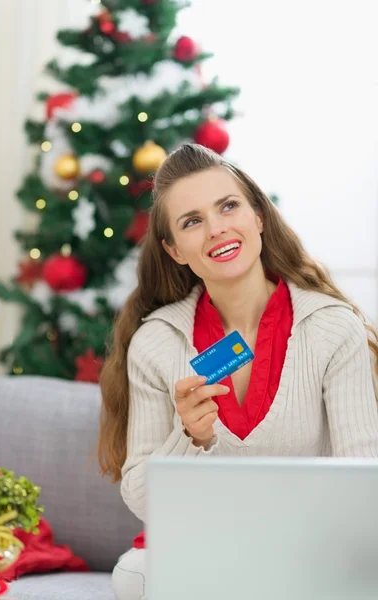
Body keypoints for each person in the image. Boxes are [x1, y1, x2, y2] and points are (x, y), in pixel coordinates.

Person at [98, 143, 378, 600]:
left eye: (228, 206)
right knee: (134, 575)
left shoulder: (331, 328)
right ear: (174, 250)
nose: (217, 229)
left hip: (312, 545)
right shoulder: (156, 342)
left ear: (258, 217)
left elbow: (366, 478)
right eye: (192, 221)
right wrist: (190, 438)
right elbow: (146, 501)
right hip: (202, 546)